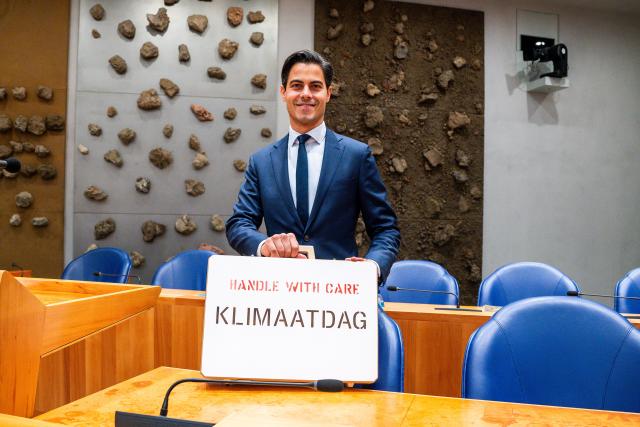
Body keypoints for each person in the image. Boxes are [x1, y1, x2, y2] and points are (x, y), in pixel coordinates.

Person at [226, 49, 400, 279]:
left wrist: (372, 267)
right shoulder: (262, 161)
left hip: (341, 291)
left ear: (328, 93)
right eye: (297, 86)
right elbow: (239, 223)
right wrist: (265, 245)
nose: (306, 94)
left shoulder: (356, 155)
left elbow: (385, 228)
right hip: (277, 289)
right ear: (283, 92)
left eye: (315, 86)